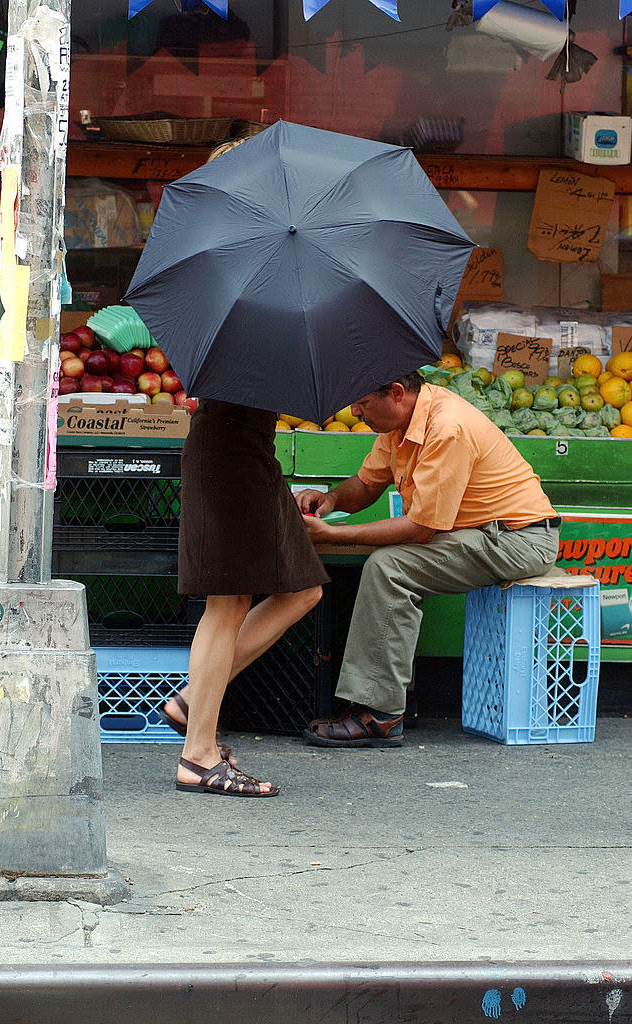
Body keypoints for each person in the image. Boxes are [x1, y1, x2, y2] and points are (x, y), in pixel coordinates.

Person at [159, 138, 329, 796]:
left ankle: (191, 706)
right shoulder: (233, 270)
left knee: (299, 588)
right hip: (228, 444)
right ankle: (198, 752)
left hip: (241, 445)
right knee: (227, 601)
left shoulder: (246, 267)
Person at [296, 371, 561, 748]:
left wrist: (334, 534)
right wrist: (333, 500)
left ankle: (381, 714)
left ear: (397, 394)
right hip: (482, 532)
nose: (355, 411)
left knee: (390, 569)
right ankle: (394, 700)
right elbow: (367, 484)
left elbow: (421, 529)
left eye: (363, 403)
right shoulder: (398, 425)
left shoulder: (447, 427)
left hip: (521, 539)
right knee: (391, 564)